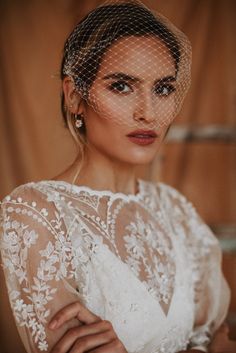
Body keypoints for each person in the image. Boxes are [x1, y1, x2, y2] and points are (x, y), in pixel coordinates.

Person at [0, 1, 235, 352]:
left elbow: (218, 341)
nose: (148, 112)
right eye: (122, 86)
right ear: (75, 96)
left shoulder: (176, 210)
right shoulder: (35, 212)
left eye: (163, 88)